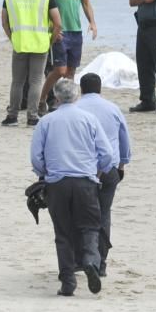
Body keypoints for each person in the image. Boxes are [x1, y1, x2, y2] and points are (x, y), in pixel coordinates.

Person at [31, 78, 116, 296]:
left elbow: (36, 158)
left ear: (56, 98)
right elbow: (106, 154)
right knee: (89, 226)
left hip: (57, 183)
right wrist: (98, 170)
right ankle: (89, 260)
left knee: (63, 232)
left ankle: (68, 282)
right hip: (85, 181)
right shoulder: (89, 120)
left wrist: (46, 173)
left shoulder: (46, 122)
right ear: (76, 96)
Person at [78, 73, 132, 277]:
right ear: (100, 88)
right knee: (104, 212)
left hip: (83, 169)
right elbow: (123, 138)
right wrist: (123, 164)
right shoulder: (113, 108)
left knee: (83, 214)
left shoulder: (76, 109)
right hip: (109, 168)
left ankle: (84, 258)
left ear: (81, 89)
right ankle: (101, 262)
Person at [38, 0, 98, 114]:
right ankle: (42, 99)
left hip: (76, 31)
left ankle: (65, 102)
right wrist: (52, 28)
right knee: (59, 70)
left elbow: (85, 2)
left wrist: (92, 22)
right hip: (60, 31)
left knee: (71, 71)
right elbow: (43, 6)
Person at [1, 0, 62, 126]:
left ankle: (12, 115)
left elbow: (4, 22)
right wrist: (50, 40)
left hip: (19, 43)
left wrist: (12, 38)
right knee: (35, 81)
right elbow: (58, 23)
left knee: (17, 81)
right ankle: (32, 116)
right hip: (40, 44)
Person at [10, 0, 55, 109]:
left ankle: (49, 99)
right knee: (22, 70)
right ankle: (24, 101)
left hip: (43, 17)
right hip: (24, 17)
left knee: (46, 67)